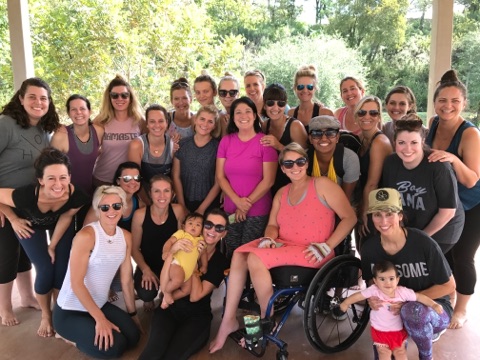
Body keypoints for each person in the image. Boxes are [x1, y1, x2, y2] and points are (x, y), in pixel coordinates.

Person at [209, 143, 357, 353]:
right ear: (282, 168)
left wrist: (328, 245)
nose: (295, 167)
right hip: (284, 246)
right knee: (240, 254)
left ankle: (265, 320)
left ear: (306, 163)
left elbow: (350, 217)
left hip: (313, 250)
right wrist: (269, 238)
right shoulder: (282, 192)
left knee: (254, 258)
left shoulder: (322, 184)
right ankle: (229, 319)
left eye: (300, 161)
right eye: (289, 163)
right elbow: (272, 225)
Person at [0, 148, 89, 337]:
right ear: (40, 180)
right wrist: (13, 220)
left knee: (62, 267)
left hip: (59, 224)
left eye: (63, 177)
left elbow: (66, 218)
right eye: (51, 178)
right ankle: (46, 316)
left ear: (69, 176)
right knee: (45, 268)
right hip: (30, 225)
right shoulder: (24, 195)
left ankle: (60, 312)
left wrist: (53, 245)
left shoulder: (77, 196)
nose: (58, 184)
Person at [361, 188, 455, 360]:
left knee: (413, 311)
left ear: (400, 216)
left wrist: (406, 299)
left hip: (433, 308)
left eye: (389, 214)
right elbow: (370, 281)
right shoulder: (369, 249)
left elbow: (449, 285)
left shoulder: (423, 243)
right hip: (392, 311)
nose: (383, 221)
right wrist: (372, 298)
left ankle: (426, 356)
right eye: (377, 215)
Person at [53, 185, 141, 359]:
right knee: (115, 348)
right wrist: (101, 320)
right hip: (70, 310)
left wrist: (133, 315)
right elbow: (76, 284)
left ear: (123, 208)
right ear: (97, 209)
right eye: (105, 207)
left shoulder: (125, 236)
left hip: (99, 303)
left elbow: (126, 280)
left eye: (117, 206)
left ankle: (93, 324)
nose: (111, 211)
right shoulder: (86, 236)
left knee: (133, 337)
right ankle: (67, 336)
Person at [0, 77, 59, 326]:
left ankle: (26, 297)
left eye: (43, 98)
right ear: (21, 99)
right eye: (32, 97)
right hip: (5, 202)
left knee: (24, 254)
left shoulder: (43, 128)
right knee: (6, 256)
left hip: (31, 203)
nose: (38, 102)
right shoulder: (5, 124)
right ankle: (4, 308)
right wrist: (4, 209)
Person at [425, 69, 480, 329]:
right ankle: (447, 297)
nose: (448, 106)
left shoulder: (470, 134)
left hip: (472, 204)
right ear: (435, 102)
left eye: (455, 101)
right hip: (446, 203)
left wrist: (454, 158)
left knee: (463, 257)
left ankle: (462, 309)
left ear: (464, 103)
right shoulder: (433, 123)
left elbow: (471, 179)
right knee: (441, 252)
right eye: (443, 101)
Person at [139, 208, 229, 360]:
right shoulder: (182, 241)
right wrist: (172, 252)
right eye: (208, 224)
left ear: (224, 233)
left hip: (197, 317)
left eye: (219, 228)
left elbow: (195, 296)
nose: (212, 230)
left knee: (173, 356)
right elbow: (165, 277)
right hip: (170, 308)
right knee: (153, 351)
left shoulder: (221, 261)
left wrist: (194, 262)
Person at [382, 115, 464, 253]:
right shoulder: (391, 162)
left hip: (442, 230)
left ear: (423, 141)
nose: (407, 149)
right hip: (411, 226)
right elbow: (391, 202)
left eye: (414, 142)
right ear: (394, 142)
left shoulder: (439, 167)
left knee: (417, 264)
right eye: (402, 142)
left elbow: (448, 212)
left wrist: (418, 238)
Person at [339, 260, 444, 360]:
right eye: (382, 279)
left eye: (391, 278)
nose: (387, 283)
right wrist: (345, 303)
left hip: (398, 331)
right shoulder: (374, 290)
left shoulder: (402, 292)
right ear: (375, 281)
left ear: (397, 279)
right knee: (384, 353)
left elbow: (419, 297)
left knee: (400, 353)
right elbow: (358, 296)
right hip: (380, 332)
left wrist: (433, 304)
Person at [216, 97, 278, 258]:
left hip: (257, 210)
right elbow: (220, 177)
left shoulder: (264, 142)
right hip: (231, 208)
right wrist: (237, 202)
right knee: (232, 253)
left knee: (250, 256)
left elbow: (269, 180)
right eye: (238, 112)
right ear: (232, 117)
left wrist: (245, 205)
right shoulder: (226, 141)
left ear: (255, 115)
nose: (243, 116)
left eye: (247, 111)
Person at [130, 175, 187, 311]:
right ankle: (148, 299)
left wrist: (174, 272)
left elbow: (182, 242)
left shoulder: (178, 210)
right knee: (146, 293)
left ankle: (165, 292)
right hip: (149, 264)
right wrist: (145, 269)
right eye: (157, 191)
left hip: (171, 263)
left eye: (166, 191)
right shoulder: (140, 215)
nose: (162, 195)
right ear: (150, 194)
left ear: (172, 194)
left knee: (180, 295)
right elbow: (134, 249)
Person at [51, 94, 103, 229]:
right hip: (64, 197)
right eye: (73, 109)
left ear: (89, 111)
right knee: (64, 243)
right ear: (68, 113)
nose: (78, 112)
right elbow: (50, 169)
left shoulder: (98, 131)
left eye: (82, 108)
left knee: (85, 236)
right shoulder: (61, 136)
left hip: (87, 195)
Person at [92, 75, 145, 187]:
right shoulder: (101, 120)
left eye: (124, 95)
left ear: (130, 98)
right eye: (114, 95)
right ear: (109, 98)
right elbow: (86, 146)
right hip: (103, 179)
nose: (119, 99)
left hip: (129, 182)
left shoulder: (139, 121)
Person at [355, 96, 393, 245]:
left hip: (377, 205)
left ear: (379, 117)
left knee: (370, 248)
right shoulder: (361, 138)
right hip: (365, 200)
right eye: (362, 112)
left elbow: (372, 183)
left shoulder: (379, 142)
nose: (367, 117)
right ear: (356, 116)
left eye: (373, 113)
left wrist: (365, 212)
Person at [172, 105, 221, 214]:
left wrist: (201, 209)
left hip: (209, 204)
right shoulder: (182, 144)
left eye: (210, 122)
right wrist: (182, 206)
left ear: (214, 126)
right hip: (184, 201)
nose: (205, 124)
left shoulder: (218, 147)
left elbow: (218, 182)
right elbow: (176, 176)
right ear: (195, 120)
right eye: (202, 119)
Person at [260, 83, 308, 193]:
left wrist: (279, 146)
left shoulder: (295, 126)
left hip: (293, 183)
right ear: (264, 105)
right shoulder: (265, 125)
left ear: (285, 105)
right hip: (271, 182)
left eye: (280, 104)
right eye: (270, 103)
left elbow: (304, 159)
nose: (275, 108)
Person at [307, 115, 360, 203]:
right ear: (310, 139)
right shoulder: (304, 158)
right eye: (317, 134)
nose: (323, 138)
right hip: (313, 204)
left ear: (337, 137)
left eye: (330, 133)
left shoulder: (349, 159)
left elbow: (345, 199)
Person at [160, 212, 207, 309]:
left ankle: (167, 298)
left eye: (198, 225)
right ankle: (167, 292)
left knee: (187, 290)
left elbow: (203, 252)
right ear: (183, 226)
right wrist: (165, 252)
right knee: (177, 280)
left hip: (188, 272)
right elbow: (169, 241)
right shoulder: (182, 234)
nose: (193, 226)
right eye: (190, 223)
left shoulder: (201, 240)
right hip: (177, 265)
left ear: (201, 230)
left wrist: (204, 265)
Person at [128, 104, 174, 193]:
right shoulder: (137, 145)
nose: (157, 125)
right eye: (152, 121)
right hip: (142, 194)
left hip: (166, 195)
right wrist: (147, 203)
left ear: (166, 123)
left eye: (161, 121)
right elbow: (134, 179)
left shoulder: (173, 144)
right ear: (147, 124)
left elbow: (175, 177)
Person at [287, 64, 334, 132]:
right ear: (295, 88)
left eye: (309, 87)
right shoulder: (290, 113)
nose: (305, 90)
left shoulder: (325, 113)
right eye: (300, 87)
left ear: (315, 88)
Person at [217, 72, 240, 136]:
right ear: (218, 94)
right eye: (223, 92)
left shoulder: (245, 116)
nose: (227, 96)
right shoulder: (218, 116)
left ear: (238, 94)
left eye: (232, 92)